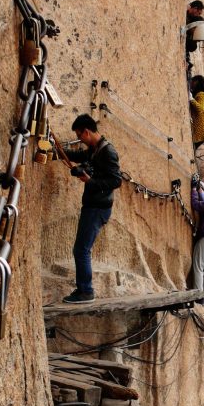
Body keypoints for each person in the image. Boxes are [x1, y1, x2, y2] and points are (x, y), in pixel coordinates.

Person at [61, 114, 121, 303]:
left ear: (87, 132)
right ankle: (83, 289)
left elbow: (116, 181)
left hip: (98, 208)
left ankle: (86, 291)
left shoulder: (108, 151)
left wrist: (91, 181)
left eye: (80, 136)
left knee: (81, 250)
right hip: (93, 205)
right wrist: (58, 151)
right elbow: (79, 155)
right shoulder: (94, 148)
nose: (80, 140)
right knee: (81, 249)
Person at [189, 76, 204, 150]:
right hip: (201, 130)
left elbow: (200, 108)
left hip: (202, 130)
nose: (191, 83)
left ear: (197, 82)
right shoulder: (199, 94)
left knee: (193, 149)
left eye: (193, 81)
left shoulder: (202, 95)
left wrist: (191, 99)